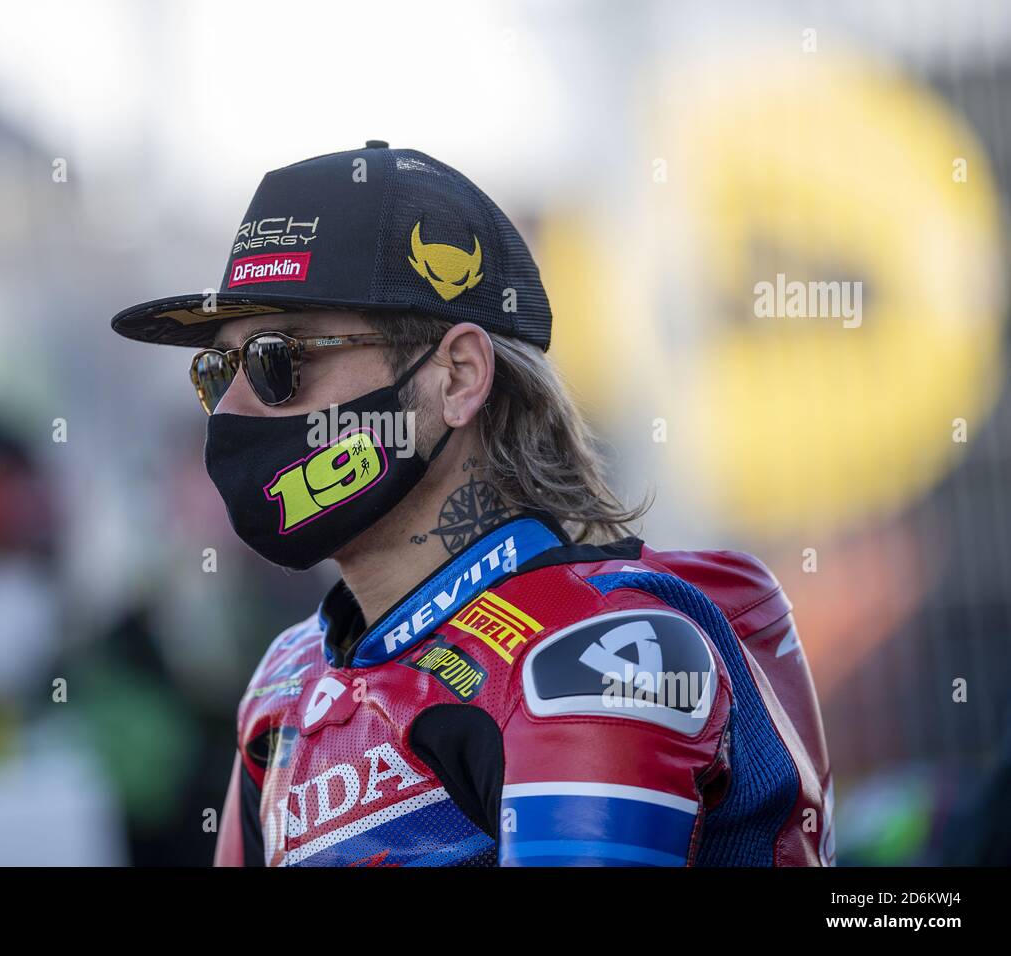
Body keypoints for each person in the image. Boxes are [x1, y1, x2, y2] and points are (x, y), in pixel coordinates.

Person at [111, 141, 834, 867]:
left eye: (278, 359)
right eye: (216, 370)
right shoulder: (286, 679)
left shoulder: (594, 653)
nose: (229, 409)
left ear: (456, 377)